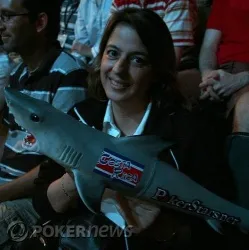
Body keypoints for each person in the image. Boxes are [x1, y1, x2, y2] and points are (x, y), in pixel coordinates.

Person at [29, 8, 241, 250]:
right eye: (113, 53)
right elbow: (42, 203)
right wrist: (75, 179)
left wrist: (167, 230)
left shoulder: (189, 134)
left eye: (137, 60)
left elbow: (226, 228)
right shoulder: (80, 116)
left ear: (157, 71)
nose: (119, 69)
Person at [0, 0, 88, 248]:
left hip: (34, 199)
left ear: (39, 22)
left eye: (7, 16)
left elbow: (60, 164)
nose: (0, 25)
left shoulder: (69, 75)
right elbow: (9, 140)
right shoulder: (19, 74)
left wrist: (2, 193)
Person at [199, 0, 249, 119]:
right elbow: (208, 46)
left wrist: (240, 79)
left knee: (245, 108)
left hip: (244, 72)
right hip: (222, 71)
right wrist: (208, 75)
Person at [71, 0, 113, 67]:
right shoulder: (84, 2)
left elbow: (113, 38)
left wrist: (92, 52)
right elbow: (80, 43)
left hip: (112, 60)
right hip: (92, 62)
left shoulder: (117, 3)